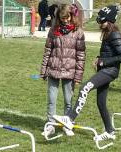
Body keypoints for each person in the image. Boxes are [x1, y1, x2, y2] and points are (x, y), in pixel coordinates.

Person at [53, 5, 121, 141]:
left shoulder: (115, 33)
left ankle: (70, 119)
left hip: (110, 71)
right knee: (101, 103)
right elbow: (109, 52)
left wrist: (103, 62)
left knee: (84, 88)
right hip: (105, 70)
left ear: (110, 21)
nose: (100, 24)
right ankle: (110, 131)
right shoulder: (108, 32)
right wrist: (100, 59)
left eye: (103, 21)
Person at [40, 4, 86, 136]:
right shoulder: (53, 30)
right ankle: (50, 125)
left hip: (69, 71)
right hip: (53, 70)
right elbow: (47, 51)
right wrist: (43, 71)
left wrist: (78, 76)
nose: (65, 20)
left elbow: (81, 56)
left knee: (68, 101)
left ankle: (67, 124)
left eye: (67, 17)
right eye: (62, 18)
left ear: (72, 16)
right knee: (51, 100)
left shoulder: (78, 32)